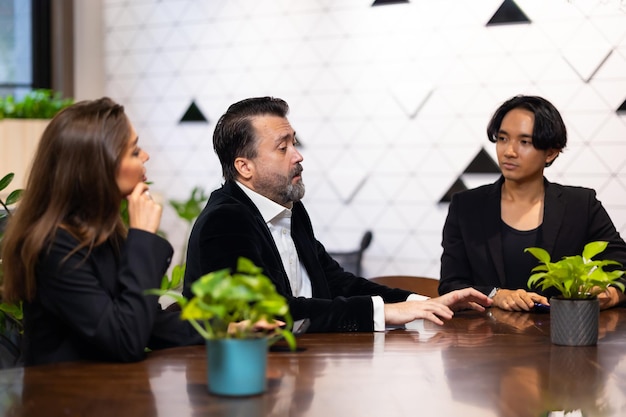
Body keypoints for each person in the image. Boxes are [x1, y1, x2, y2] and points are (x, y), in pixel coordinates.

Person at [183, 96, 491, 333]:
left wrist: (420, 303)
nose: (298, 155)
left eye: (295, 142)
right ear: (244, 167)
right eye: (282, 148)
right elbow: (268, 313)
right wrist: (384, 312)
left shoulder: (291, 209)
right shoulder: (224, 222)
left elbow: (336, 281)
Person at [1, 97, 202, 366]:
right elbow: (125, 340)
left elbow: (149, 323)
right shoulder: (54, 246)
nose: (146, 156)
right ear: (99, 167)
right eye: (134, 151)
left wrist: (228, 329)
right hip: (64, 402)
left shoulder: (103, 234)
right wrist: (142, 237)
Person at [438, 95, 626, 311]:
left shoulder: (581, 205)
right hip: (486, 337)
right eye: (502, 139)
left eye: (524, 142)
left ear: (551, 152)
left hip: (564, 334)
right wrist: (495, 295)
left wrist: (609, 294)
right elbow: (451, 285)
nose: (509, 151)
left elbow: (622, 267)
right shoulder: (466, 206)